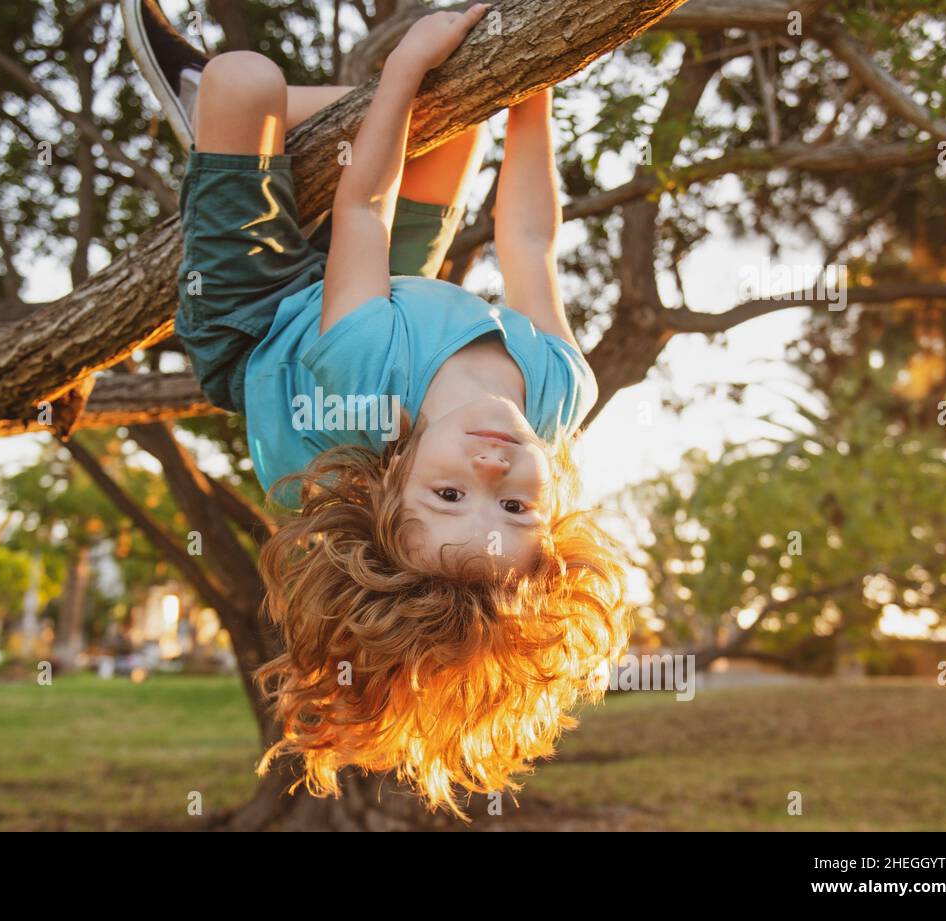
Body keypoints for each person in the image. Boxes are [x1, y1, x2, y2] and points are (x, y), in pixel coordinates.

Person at [124, 0, 626, 817]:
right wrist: (534, 86)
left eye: (450, 496)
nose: (492, 467)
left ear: (392, 481)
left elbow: (365, 207)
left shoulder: (370, 379)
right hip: (382, 293)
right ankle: (274, 139)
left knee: (242, 79)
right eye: (514, 507)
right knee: (455, 121)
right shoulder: (559, 388)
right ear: (554, 518)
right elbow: (529, 238)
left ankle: (215, 114)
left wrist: (401, 66)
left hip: (257, 323)